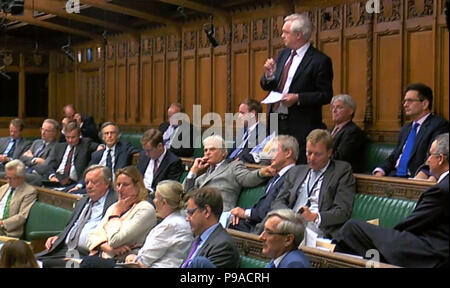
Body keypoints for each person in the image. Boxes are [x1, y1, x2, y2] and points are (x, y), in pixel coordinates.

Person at [334, 133, 449, 268]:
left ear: (440, 159)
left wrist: (386, 234)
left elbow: (412, 224)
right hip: (434, 247)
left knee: (352, 228)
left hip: (431, 254)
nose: (428, 160)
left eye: (430, 155)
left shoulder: (441, 190)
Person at [260, 13, 333, 164]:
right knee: (273, 164)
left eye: (286, 32)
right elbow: (268, 85)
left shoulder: (320, 60)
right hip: (275, 119)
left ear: (298, 35)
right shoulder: (283, 55)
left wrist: (298, 98)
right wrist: (269, 75)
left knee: (296, 167)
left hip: (300, 123)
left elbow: (326, 95)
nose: (282, 36)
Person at [265, 129, 356, 241]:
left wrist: (315, 216)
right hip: (289, 225)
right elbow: (278, 201)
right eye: (309, 153)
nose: (312, 158)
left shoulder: (341, 171)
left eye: (318, 154)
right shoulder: (296, 171)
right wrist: (289, 216)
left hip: (317, 230)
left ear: (329, 153)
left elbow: (342, 211)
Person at [35, 165, 117, 268]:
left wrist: (99, 248)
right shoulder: (82, 201)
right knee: (27, 262)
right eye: (87, 183)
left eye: (94, 182)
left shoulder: (115, 202)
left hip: (86, 254)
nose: (89, 186)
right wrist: (59, 237)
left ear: (106, 183)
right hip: (63, 249)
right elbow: (72, 226)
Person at [373, 83, 448, 178]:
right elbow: (394, 156)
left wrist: (423, 174)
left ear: (425, 104)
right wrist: (380, 170)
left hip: (415, 177)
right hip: (394, 176)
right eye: (404, 101)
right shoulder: (406, 128)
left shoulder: (437, 125)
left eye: (410, 101)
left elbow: (434, 156)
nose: (405, 105)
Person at [184, 135, 275, 212]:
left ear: (223, 152)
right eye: (205, 150)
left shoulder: (233, 167)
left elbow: (247, 178)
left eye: (212, 149)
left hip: (219, 213)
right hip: (198, 212)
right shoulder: (202, 176)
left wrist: (262, 172)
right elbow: (186, 195)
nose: (207, 153)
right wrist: (193, 171)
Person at [84, 166, 156, 262]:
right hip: (102, 257)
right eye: (118, 185)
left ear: (138, 186)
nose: (120, 189)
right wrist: (108, 249)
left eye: (125, 185)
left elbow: (114, 240)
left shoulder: (145, 209)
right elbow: (91, 236)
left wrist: (115, 215)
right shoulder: (115, 206)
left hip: (122, 261)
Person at [228, 135, 298, 233]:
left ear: (288, 153)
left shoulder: (292, 177)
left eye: (273, 151)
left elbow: (269, 210)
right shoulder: (276, 176)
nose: (269, 155)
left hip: (268, 229)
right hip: (256, 223)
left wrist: (245, 213)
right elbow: (262, 205)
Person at [124, 180, 193, 268]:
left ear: (164, 202)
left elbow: (143, 262)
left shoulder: (171, 225)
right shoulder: (181, 219)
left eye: (156, 197)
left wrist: (131, 257)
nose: (154, 200)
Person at [68, 122, 140, 194]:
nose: (109, 136)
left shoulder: (125, 148)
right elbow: (88, 171)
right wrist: (79, 185)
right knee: (68, 193)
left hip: (116, 189)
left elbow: (142, 153)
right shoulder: (97, 155)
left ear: (117, 135)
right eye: (106, 133)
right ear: (103, 137)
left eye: (112, 133)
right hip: (97, 187)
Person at [181, 187, 239, 268]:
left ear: (207, 211)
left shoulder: (222, 247)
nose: (187, 218)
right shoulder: (197, 238)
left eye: (191, 213)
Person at [45, 121, 99, 188]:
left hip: (72, 182)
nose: (70, 140)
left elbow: (99, 146)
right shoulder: (59, 147)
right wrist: (52, 176)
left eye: (73, 137)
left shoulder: (85, 144)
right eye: (67, 137)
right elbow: (50, 165)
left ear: (79, 135)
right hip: (56, 179)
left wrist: (101, 146)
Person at [137, 128, 183, 197]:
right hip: (138, 193)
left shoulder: (173, 162)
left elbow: (169, 189)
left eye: (149, 150)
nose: (146, 154)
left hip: (156, 197)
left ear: (160, 146)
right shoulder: (143, 156)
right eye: (145, 150)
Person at [329, 94, 367, 173]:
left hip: (343, 173)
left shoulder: (353, 132)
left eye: (339, 107)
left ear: (351, 111)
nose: (334, 110)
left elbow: (340, 158)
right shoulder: (329, 130)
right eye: (333, 107)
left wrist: (321, 156)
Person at [0, 160, 37, 238]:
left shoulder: (29, 192)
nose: (8, 181)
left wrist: (2, 223)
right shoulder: (3, 188)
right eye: (7, 177)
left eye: (12, 178)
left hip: (9, 232)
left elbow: (22, 216)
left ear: (21, 177)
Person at [19, 118, 59, 186]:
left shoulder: (57, 147)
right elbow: (22, 158)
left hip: (38, 176)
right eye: (42, 129)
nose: (43, 132)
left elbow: (45, 166)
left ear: (54, 133)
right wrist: (35, 160)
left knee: (14, 177)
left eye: (47, 131)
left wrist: (30, 160)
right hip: (25, 171)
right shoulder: (36, 142)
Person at [228, 99, 267, 163]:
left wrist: (237, 161)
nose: (239, 116)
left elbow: (253, 155)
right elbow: (231, 151)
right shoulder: (243, 131)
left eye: (242, 113)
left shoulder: (263, 132)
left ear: (252, 113)